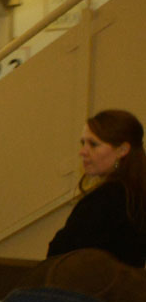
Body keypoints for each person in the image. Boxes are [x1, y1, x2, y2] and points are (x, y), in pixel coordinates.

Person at [47, 109, 146, 267]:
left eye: (93, 144)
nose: (82, 152)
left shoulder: (105, 200)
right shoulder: (136, 195)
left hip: (91, 288)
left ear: (122, 150)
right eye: (83, 143)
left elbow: (58, 255)